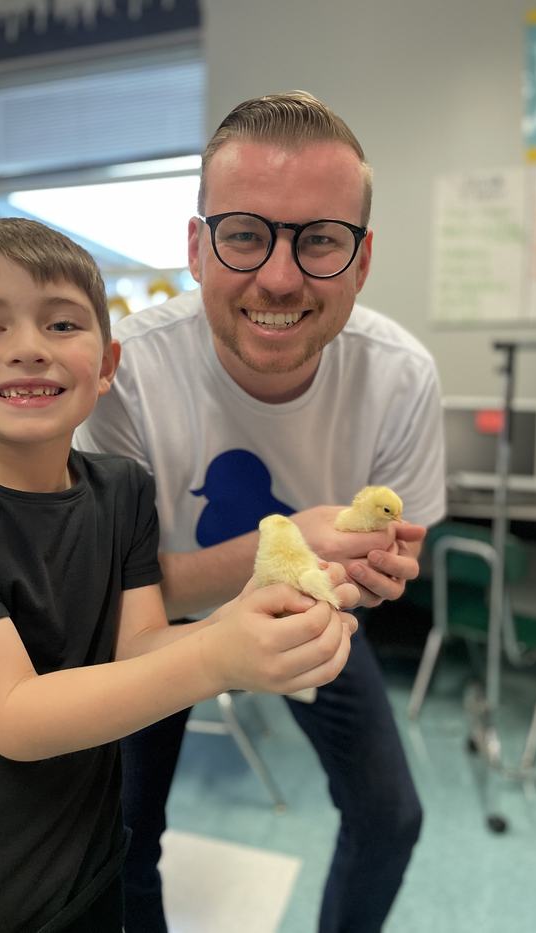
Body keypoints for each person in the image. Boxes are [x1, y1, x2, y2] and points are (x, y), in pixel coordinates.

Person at [0, 217, 359, 933]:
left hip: (84, 880)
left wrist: (252, 616)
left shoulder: (122, 490)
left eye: (61, 324)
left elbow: (140, 649)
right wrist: (219, 655)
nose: (28, 349)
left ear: (107, 362)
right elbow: (14, 713)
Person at [74, 90, 446, 933]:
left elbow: (397, 553)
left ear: (363, 257)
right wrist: (278, 549)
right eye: (245, 233)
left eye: (319, 239)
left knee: (392, 815)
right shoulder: (121, 374)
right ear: (198, 248)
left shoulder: (400, 375)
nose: (279, 278)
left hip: (315, 612)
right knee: (120, 834)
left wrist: (377, 569)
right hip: (151, 622)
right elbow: (110, 591)